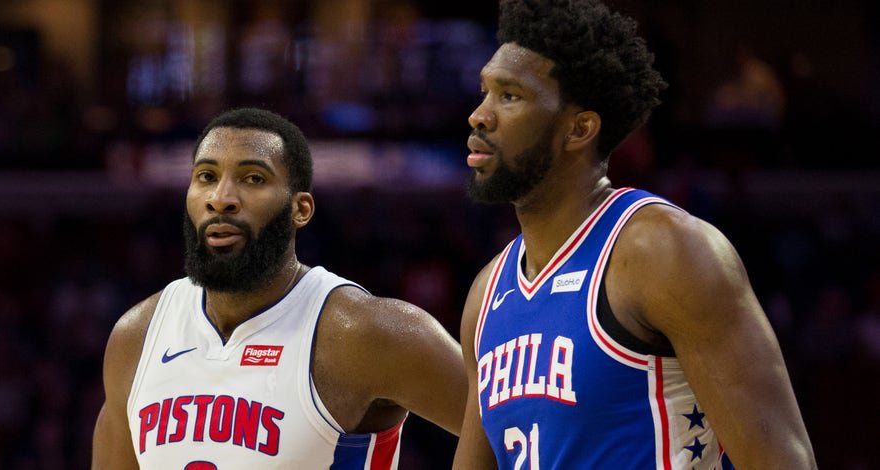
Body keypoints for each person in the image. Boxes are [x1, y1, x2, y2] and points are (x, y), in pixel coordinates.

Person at [453, 1, 816, 469]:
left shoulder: (664, 251)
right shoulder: (486, 295)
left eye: (509, 96)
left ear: (579, 129)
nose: (479, 115)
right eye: (484, 91)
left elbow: (783, 461)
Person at [91, 107, 466, 469]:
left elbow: (502, 433)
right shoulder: (137, 337)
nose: (221, 198)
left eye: (253, 178)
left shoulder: (366, 333)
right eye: (206, 176)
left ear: (300, 209)